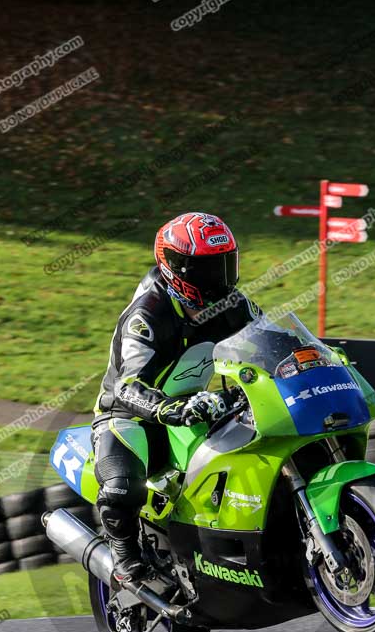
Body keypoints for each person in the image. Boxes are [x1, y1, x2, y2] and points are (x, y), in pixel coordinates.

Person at [92, 212, 261, 582]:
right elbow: (126, 385)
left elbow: (270, 338)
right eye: (205, 270)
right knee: (121, 488)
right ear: (175, 268)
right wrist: (168, 409)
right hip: (131, 417)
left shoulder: (231, 303)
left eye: (224, 265)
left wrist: (313, 357)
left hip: (197, 407)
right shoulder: (147, 315)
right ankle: (124, 560)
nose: (218, 280)